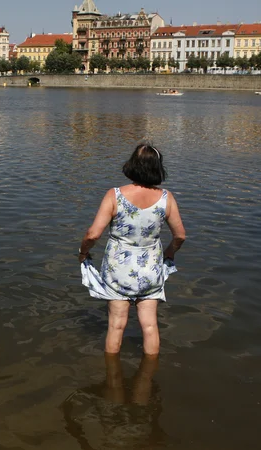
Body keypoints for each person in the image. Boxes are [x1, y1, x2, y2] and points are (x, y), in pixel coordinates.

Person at [79, 144, 186, 355]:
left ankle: (112, 380)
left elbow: (93, 234)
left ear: (132, 165)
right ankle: (147, 379)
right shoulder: (167, 198)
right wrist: (170, 253)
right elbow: (180, 236)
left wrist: (83, 252)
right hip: (151, 270)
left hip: (118, 269)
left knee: (116, 326)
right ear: (158, 167)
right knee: (149, 326)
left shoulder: (115, 195)